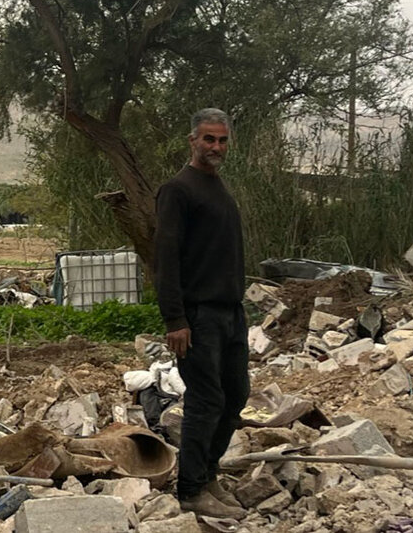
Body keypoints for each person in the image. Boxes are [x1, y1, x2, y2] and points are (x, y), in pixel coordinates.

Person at [154, 107, 249, 518]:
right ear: (192, 140)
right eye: (208, 139)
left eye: (222, 140)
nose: (216, 147)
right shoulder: (178, 190)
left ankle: (208, 475)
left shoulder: (217, 187)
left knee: (236, 396)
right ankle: (191, 490)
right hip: (199, 316)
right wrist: (175, 320)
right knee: (206, 401)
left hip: (230, 313)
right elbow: (166, 257)